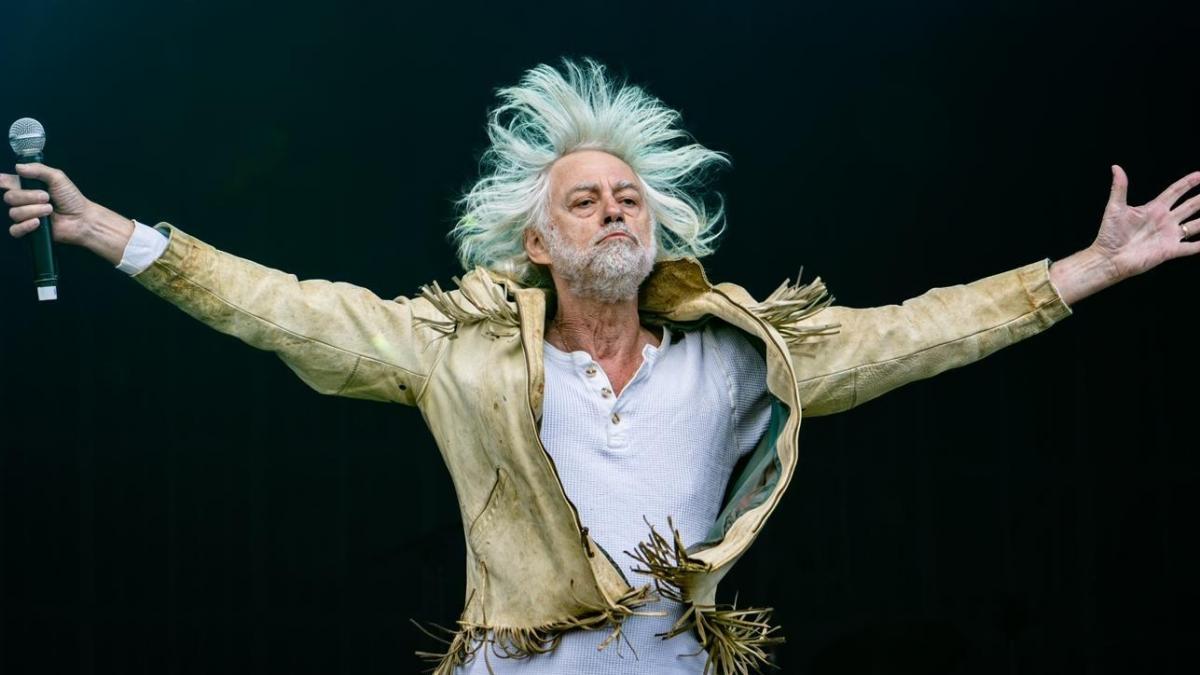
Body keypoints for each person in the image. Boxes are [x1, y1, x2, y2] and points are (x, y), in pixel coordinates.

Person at [4, 59, 1198, 675]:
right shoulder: (461, 351)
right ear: (538, 242)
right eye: (585, 200)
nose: (615, 209)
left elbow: (912, 332)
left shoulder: (736, 360)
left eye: (630, 197)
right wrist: (112, 233)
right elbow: (291, 311)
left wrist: (1085, 271)